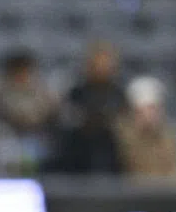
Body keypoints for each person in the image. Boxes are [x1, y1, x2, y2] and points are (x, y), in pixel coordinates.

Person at [54, 41, 126, 173]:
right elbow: (71, 119)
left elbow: (122, 123)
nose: (102, 67)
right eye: (98, 63)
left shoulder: (118, 94)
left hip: (112, 155)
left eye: (106, 63)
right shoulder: (77, 93)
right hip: (79, 154)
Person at [0, 50, 60, 171]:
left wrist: (31, 120)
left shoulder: (42, 91)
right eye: (18, 71)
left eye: (25, 71)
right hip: (9, 136)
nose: (22, 75)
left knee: (39, 152)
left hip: (37, 136)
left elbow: (49, 111)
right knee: (3, 151)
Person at [114, 76, 176, 180]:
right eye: (141, 111)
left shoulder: (170, 137)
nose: (148, 115)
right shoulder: (120, 137)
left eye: (153, 109)